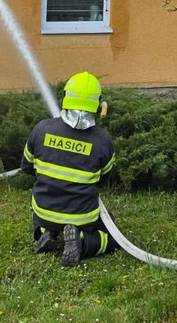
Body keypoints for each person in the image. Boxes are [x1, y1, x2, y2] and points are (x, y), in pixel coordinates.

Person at [21, 71, 117, 266]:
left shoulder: (41, 129)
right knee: (112, 234)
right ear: (99, 105)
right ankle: (82, 241)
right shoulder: (102, 140)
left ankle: (45, 232)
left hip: (44, 211)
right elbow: (105, 178)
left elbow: (27, 167)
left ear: (64, 98)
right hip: (81, 215)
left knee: (44, 218)